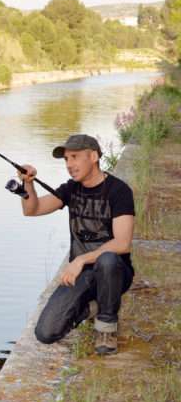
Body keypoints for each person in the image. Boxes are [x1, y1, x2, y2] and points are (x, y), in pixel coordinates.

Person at [20, 133, 135, 356]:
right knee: (46, 333)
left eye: (74, 157)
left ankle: (107, 327)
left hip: (114, 272)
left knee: (108, 259)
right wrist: (28, 185)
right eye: (66, 159)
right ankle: (95, 307)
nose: (69, 165)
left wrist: (81, 259)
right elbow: (32, 210)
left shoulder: (119, 191)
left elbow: (122, 244)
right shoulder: (71, 189)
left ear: (93, 156)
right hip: (82, 275)